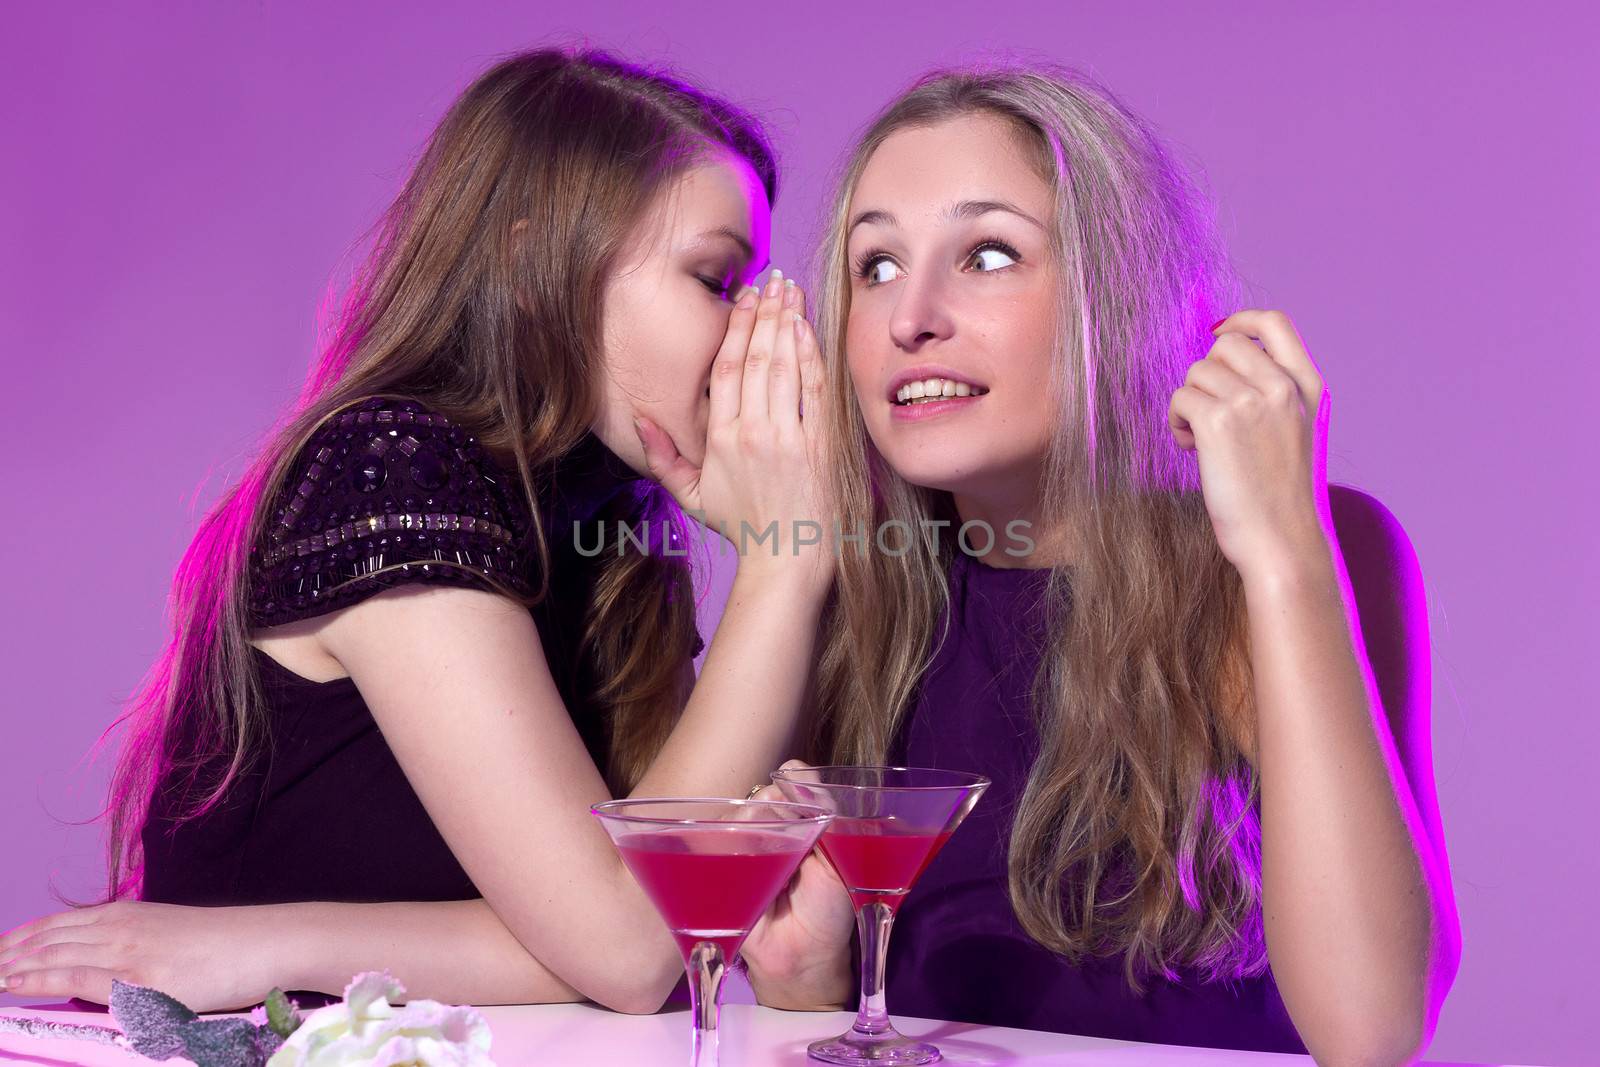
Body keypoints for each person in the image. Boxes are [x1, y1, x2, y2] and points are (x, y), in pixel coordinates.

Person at [0, 46, 835, 1015]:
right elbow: (634, 941)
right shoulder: (395, 467)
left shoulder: (598, 534)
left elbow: (643, 947)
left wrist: (261, 943)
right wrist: (787, 556)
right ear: (537, 269)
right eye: (719, 279)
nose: (759, 334)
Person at [740, 61, 1461, 1063]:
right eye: (876, 267)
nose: (910, 318)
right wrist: (808, 983)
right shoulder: (848, 588)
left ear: (1117, 293)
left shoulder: (1307, 554)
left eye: (987, 254)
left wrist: (1284, 556)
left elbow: (1372, 1025)